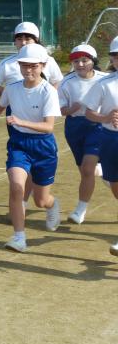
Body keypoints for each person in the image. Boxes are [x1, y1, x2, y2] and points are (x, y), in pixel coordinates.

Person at [0, 43, 62, 253]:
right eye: (24, 65)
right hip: (19, 144)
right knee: (16, 186)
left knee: (41, 200)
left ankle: (52, 205)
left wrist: (21, 122)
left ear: (43, 66)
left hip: (43, 146)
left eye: (33, 66)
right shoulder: (12, 88)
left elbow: (48, 127)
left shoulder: (48, 91)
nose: (28, 70)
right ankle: (19, 237)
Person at [0, 21, 63, 209]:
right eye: (19, 38)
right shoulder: (8, 63)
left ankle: (33, 199)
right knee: (21, 159)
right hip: (15, 115)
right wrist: (14, 96)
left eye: (28, 38)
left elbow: (57, 81)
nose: (23, 42)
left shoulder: (47, 60)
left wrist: (46, 99)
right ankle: (20, 202)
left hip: (40, 118)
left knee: (39, 189)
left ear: (36, 40)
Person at [59, 44, 107, 224]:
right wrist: (71, 109)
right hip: (74, 127)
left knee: (87, 169)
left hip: (98, 125)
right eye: (76, 61)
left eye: (84, 60)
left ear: (93, 61)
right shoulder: (66, 82)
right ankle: (105, 172)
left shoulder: (104, 79)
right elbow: (59, 110)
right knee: (85, 171)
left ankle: (80, 210)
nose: (80, 64)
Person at [83, 36, 118, 256]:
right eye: (116, 56)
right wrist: (105, 118)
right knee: (114, 185)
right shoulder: (104, 84)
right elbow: (89, 112)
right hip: (110, 139)